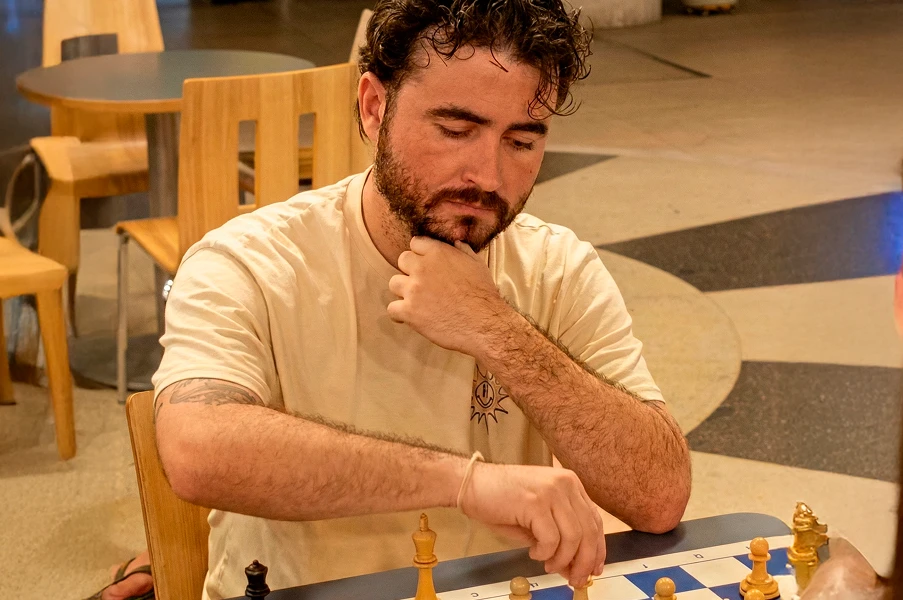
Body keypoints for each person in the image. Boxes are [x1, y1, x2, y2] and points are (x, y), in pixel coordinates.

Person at [103, 1, 693, 598]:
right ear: (373, 107)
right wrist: (467, 484)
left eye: (520, 141)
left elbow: (659, 495)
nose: (487, 177)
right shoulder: (249, 262)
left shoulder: (558, 267)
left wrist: (496, 328)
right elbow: (196, 449)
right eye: (455, 131)